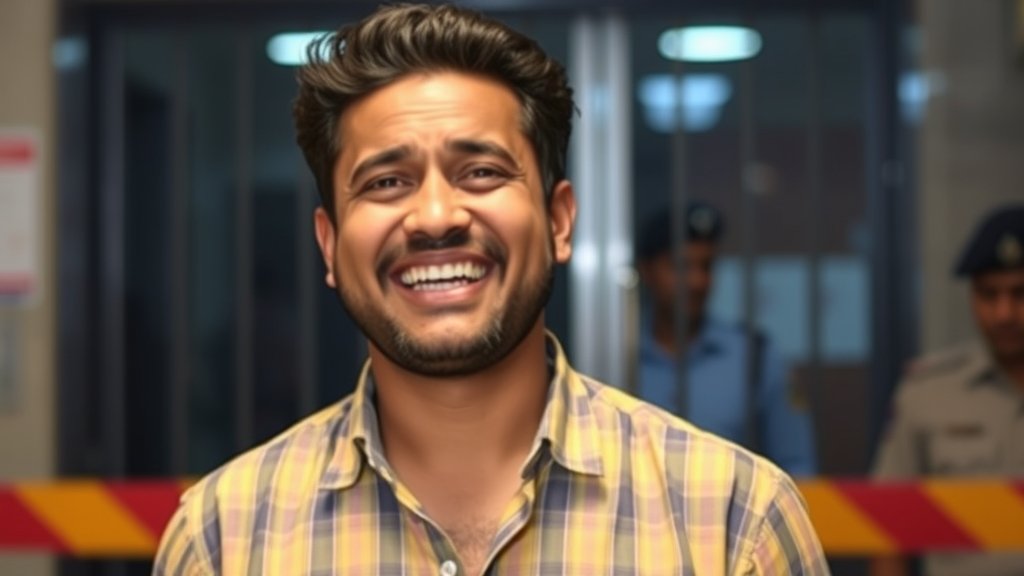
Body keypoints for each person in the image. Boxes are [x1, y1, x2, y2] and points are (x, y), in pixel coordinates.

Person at [152, 5, 828, 574]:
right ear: (329, 245)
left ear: (559, 221)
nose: (435, 216)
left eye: (480, 171)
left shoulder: (734, 524)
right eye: (386, 182)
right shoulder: (224, 541)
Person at [871, 205, 1024, 576]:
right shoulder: (928, 394)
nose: (1004, 313)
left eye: (1020, 293)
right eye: (989, 295)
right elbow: (888, 530)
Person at [633, 203, 817, 477]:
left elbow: (798, 468)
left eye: (706, 266)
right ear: (647, 271)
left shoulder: (756, 357)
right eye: (681, 266)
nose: (697, 281)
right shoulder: (615, 356)